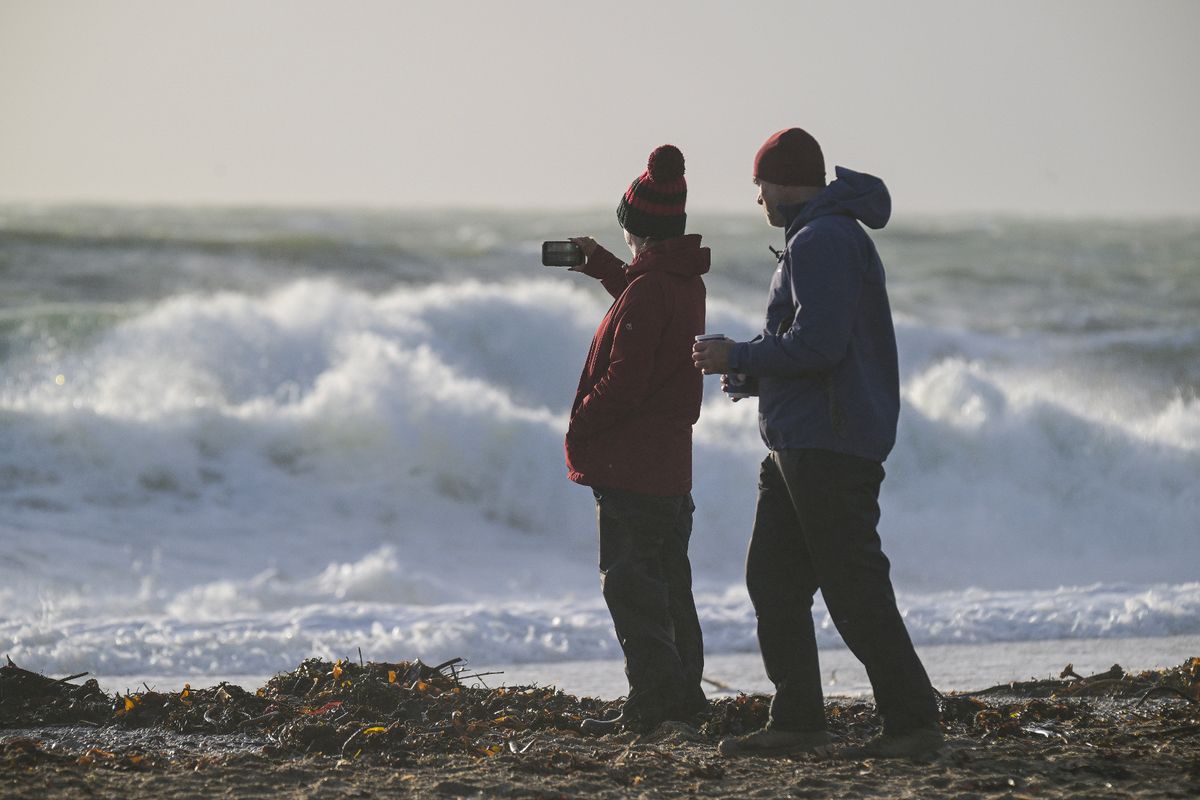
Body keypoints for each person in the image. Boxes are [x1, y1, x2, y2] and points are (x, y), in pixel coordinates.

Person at [692, 128, 942, 758]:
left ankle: (912, 724)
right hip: (802, 437)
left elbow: (820, 346)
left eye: (761, 185)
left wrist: (737, 353)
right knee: (772, 580)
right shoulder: (819, 235)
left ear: (785, 182)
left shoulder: (822, 238)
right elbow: (818, 345)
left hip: (828, 442)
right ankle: (799, 718)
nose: (759, 199)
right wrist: (753, 373)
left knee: (853, 586)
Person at [565, 144, 710, 735]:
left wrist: (583, 422)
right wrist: (603, 268)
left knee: (631, 586)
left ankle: (654, 698)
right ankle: (683, 694)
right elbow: (642, 299)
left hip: (633, 469)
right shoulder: (678, 283)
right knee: (670, 583)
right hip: (669, 469)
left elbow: (627, 379)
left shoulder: (650, 292)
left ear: (639, 232)